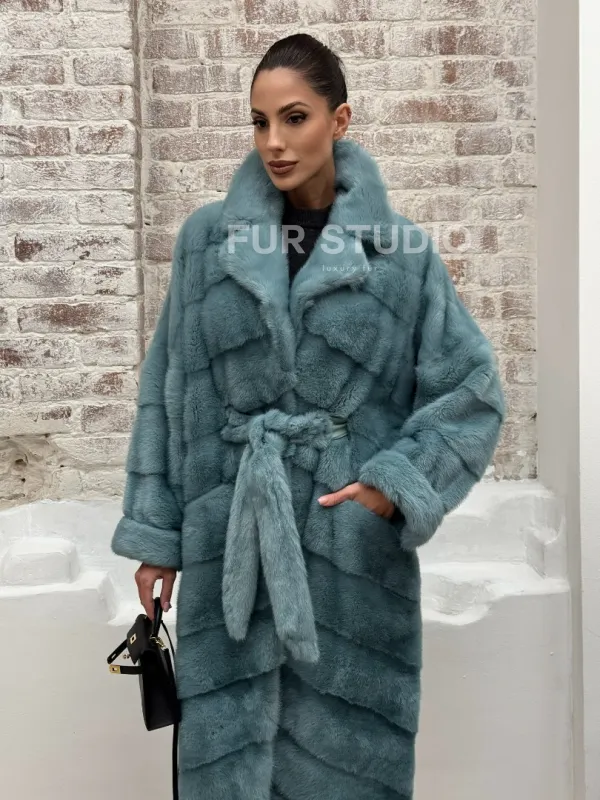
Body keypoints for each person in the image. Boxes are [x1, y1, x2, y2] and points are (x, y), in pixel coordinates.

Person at [111, 32, 505, 800]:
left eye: (295, 118)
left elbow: (472, 391)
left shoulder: (400, 254)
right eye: (260, 122)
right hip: (231, 551)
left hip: (349, 564)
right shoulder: (207, 242)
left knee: (343, 771)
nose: (275, 142)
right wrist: (157, 540)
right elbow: (168, 389)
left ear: (340, 119)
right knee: (229, 769)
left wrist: (392, 486)